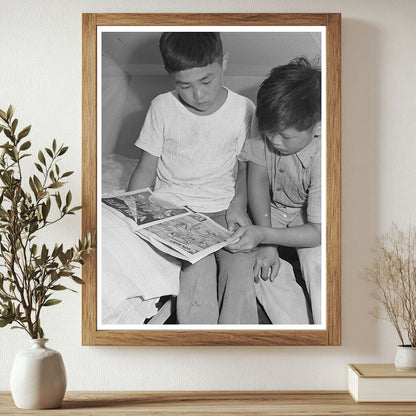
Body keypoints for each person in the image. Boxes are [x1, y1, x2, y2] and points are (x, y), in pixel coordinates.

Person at [127, 32, 258, 324]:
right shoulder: (162, 106)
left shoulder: (244, 109)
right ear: (169, 76)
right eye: (183, 85)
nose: (198, 95)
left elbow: (245, 168)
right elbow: (146, 168)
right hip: (173, 209)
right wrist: (134, 212)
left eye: (207, 81)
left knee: (239, 265)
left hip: (223, 209)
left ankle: (238, 347)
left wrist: (238, 205)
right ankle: (198, 342)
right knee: (197, 269)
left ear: (223, 63)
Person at [227, 57, 322, 324]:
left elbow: (317, 232)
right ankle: (299, 329)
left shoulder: (325, 154)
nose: (275, 141)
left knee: (319, 265)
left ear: (316, 127)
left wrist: (264, 235)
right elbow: (256, 179)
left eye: (286, 136)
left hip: (314, 221)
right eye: (269, 133)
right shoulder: (269, 119)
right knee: (256, 265)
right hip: (275, 209)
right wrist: (266, 242)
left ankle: (328, 327)